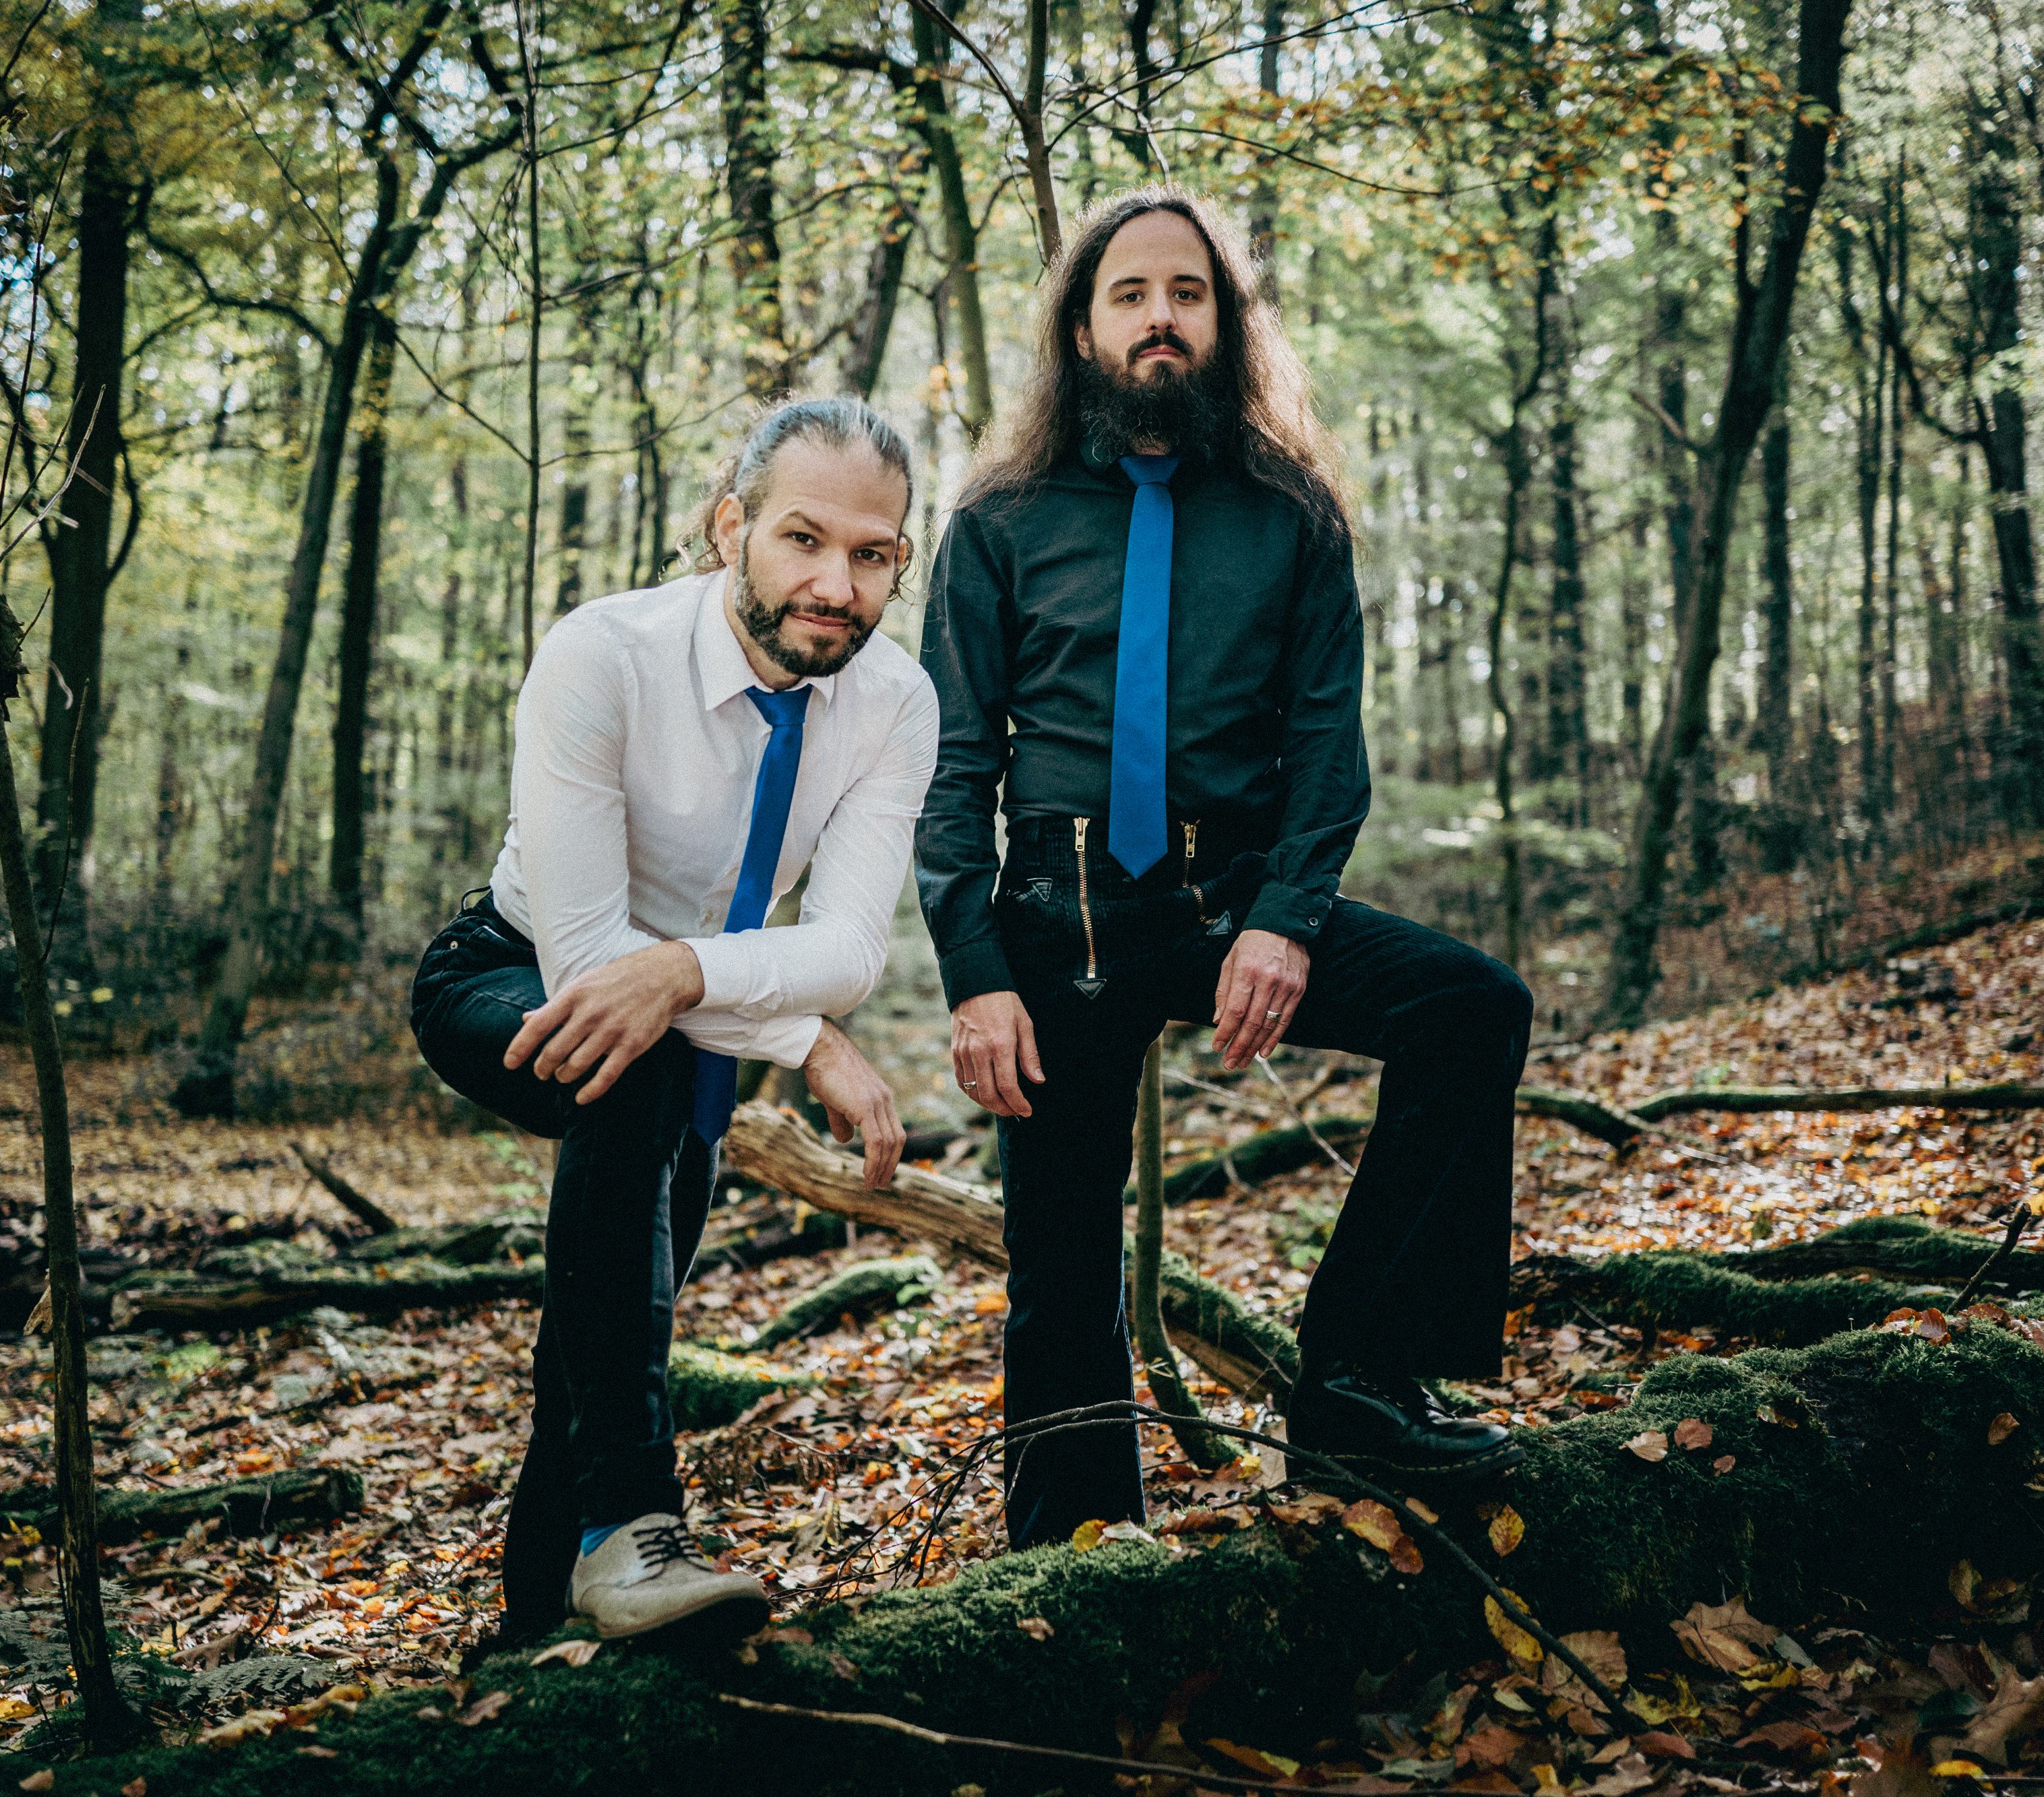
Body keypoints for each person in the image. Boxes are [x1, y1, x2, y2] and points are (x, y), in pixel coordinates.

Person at [915, 186, 1535, 1551]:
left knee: (1469, 1007)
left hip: (1222, 906)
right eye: (1128, 294)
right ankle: (1076, 1569)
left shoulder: (1289, 514)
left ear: (1225, 323)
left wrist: (1286, 921)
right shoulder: (998, 520)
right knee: (1059, 1272)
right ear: (1081, 328)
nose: (1158, 318)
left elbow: (1326, 743)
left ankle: (1357, 1384)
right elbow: (947, 767)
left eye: (1185, 294)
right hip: (1052, 921)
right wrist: (970, 976)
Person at [412, 396, 938, 1643]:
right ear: (729, 529)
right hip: (505, 969)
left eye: (873, 556)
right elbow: (592, 964)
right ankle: (636, 1528)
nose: (836, 583)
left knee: (613, 1318)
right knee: (632, 1080)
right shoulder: (603, 655)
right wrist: (803, 1037)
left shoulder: (896, 703)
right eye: (804, 539)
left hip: (697, 1023)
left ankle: (538, 1623)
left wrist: (740, 993)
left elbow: (850, 949)